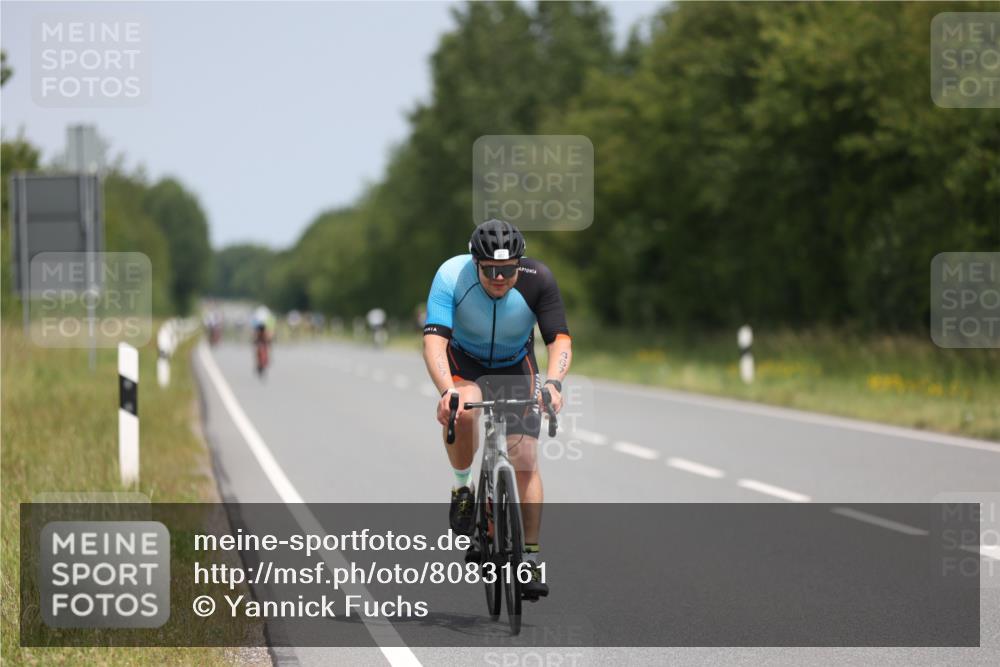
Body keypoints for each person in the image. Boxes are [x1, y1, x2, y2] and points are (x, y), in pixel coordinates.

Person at [422, 219, 572, 600]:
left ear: (518, 264)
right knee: (466, 409)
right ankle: (462, 488)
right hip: (465, 361)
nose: (500, 278)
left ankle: (531, 558)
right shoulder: (451, 276)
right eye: (490, 271)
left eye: (507, 270)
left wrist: (553, 382)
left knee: (524, 457)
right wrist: (446, 392)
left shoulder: (538, 278)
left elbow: (559, 339)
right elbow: (435, 343)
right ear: (475, 263)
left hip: (515, 363)